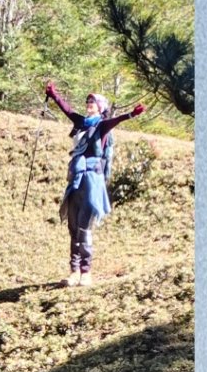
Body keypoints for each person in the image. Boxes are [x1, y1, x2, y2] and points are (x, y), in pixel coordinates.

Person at [44, 81, 145, 287]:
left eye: (93, 102)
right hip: (76, 178)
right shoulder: (81, 122)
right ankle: (73, 271)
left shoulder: (102, 125)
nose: (89, 104)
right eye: (88, 101)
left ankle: (85, 271)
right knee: (73, 227)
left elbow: (116, 120)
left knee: (84, 228)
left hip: (92, 178)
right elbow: (67, 109)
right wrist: (53, 95)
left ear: (100, 107)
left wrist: (132, 115)